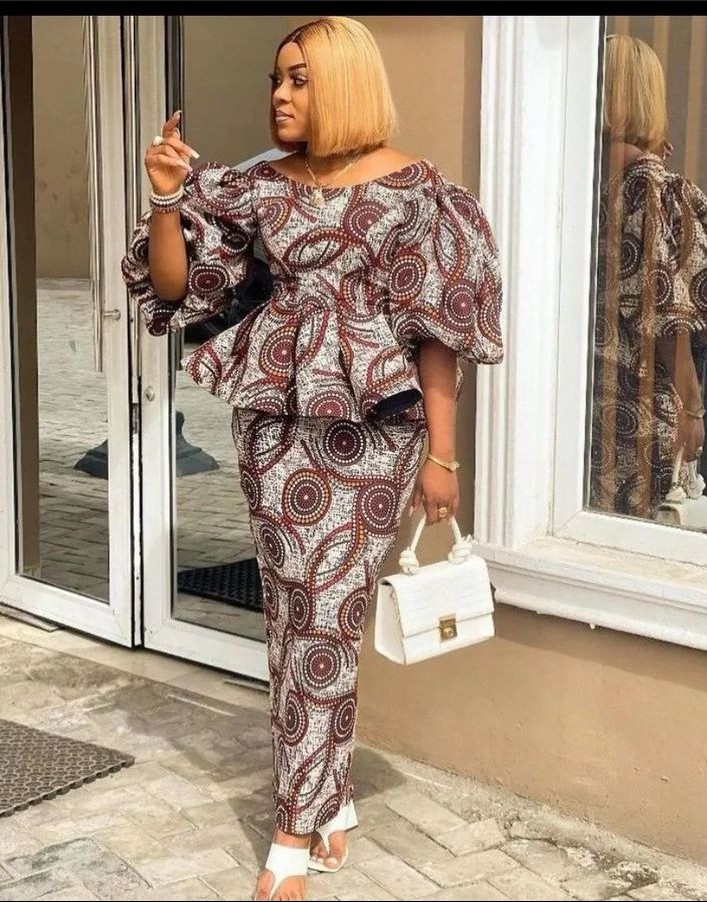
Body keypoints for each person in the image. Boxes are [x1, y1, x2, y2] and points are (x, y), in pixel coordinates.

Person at [121, 16, 503, 901]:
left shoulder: (417, 194)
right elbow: (177, 286)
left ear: (344, 85)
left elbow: (435, 336)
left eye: (299, 79)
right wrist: (167, 199)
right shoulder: (259, 186)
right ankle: (330, 797)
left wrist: (443, 458)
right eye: (275, 78)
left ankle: (294, 824)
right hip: (273, 423)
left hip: (373, 433)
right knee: (293, 611)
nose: (280, 94)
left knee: (328, 611)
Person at [589, 34, 707, 520]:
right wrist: (693, 407)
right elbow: (664, 309)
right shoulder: (649, 184)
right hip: (643, 404)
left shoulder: (583, 178)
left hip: (592, 398)